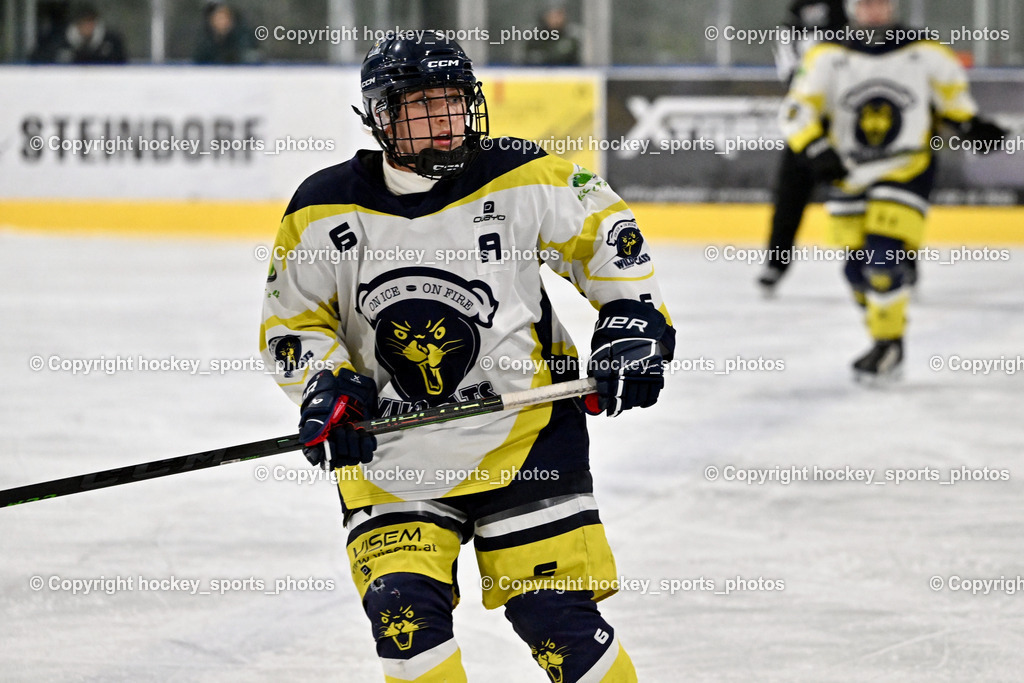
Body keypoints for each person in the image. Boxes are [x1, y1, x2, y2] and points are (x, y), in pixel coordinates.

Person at [259, 30, 674, 682]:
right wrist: (326, 384)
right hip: (392, 455)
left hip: (526, 442)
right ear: (381, 118)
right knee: (404, 621)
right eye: (424, 108)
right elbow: (294, 323)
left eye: (454, 104)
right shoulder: (321, 209)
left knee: (559, 622)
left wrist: (631, 323)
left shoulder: (519, 174)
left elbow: (606, 239)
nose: (446, 124)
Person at [779, 0, 1005, 379]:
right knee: (855, 272)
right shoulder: (826, 55)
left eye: (882, 2)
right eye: (867, 3)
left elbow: (954, 104)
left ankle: (889, 345)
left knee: (881, 260)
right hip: (850, 172)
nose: (875, 10)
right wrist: (817, 150)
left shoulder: (926, 52)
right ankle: (884, 336)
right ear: (853, 8)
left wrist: (972, 126)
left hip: (907, 169)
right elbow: (796, 111)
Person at [757, 0, 848, 297]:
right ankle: (775, 264)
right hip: (807, 119)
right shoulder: (797, 14)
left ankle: (898, 262)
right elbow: (789, 71)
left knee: (875, 194)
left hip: (853, 121)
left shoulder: (857, 9)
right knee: (789, 196)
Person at [30, 2, 126, 65]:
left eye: (91, 21)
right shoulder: (58, 41)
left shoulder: (112, 42)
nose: (88, 26)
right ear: (77, 23)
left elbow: (122, 64)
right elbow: (39, 60)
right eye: (84, 22)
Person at [192, 2, 261, 65]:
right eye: (218, 18)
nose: (222, 22)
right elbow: (198, 59)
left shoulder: (243, 37)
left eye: (224, 18)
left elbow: (248, 55)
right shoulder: (205, 39)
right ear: (212, 21)